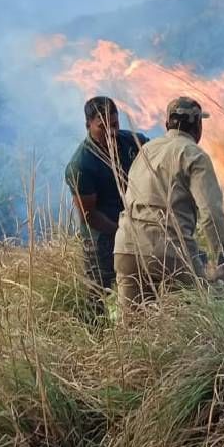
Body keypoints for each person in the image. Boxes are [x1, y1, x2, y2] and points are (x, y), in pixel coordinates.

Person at [114, 96, 224, 307]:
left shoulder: (146, 149)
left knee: (133, 329)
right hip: (169, 250)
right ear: (198, 126)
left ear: (167, 123)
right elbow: (211, 214)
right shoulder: (193, 154)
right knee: (194, 317)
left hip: (127, 247)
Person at [64, 96, 147, 314]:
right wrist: (123, 232)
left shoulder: (133, 143)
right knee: (101, 294)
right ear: (88, 126)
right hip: (102, 241)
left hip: (135, 229)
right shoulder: (81, 165)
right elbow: (89, 215)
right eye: (103, 127)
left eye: (115, 124)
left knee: (140, 288)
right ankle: (97, 340)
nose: (111, 132)